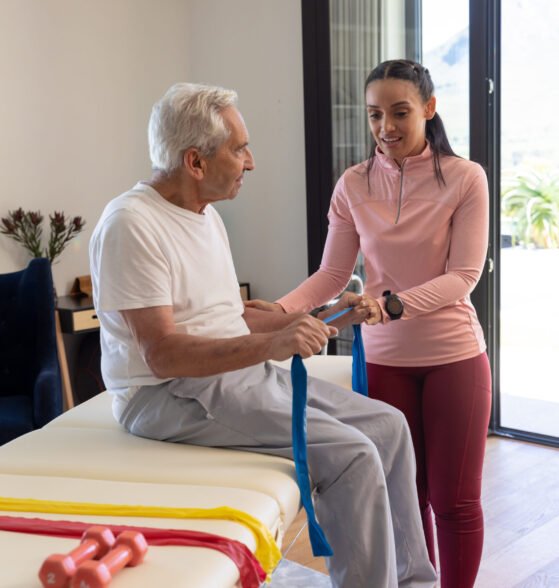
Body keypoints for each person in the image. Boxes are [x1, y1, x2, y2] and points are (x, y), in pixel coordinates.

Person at [89, 82, 436, 588]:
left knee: (390, 428)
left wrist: (329, 312)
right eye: (239, 148)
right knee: (353, 456)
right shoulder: (131, 224)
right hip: (165, 395)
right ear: (195, 162)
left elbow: (228, 319)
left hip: (237, 374)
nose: (249, 162)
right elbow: (162, 355)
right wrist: (274, 344)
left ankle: (414, 582)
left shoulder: (205, 217)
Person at [248, 60, 492, 588]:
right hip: (386, 362)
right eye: (375, 115)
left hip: (454, 357)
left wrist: (390, 306)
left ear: (429, 108)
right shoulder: (353, 184)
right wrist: (278, 314)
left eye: (400, 112)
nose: (387, 127)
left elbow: (464, 277)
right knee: (407, 496)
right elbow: (333, 273)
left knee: (453, 499)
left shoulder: (467, 178)